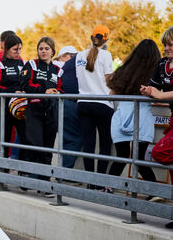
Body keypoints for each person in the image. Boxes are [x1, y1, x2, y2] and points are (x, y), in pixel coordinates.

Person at [106, 39, 160, 193]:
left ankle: (108, 188)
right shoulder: (156, 73)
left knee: (121, 155)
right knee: (139, 159)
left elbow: (111, 96)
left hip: (121, 116)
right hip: (142, 118)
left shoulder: (124, 70)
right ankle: (154, 192)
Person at [140, 25, 173, 229]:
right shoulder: (163, 63)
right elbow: (155, 87)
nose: (166, 48)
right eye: (164, 44)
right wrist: (148, 90)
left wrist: (162, 95)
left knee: (161, 152)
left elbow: (163, 93)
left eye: (170, 44)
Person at [21, 37, 63, 190]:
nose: (43, 51)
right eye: (41, 48)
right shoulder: (31, 64)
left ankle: (44, 185)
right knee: (34, 146)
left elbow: (62, 87)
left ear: (52, 51)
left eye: (46, 48)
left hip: (51, 111)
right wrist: (43, 91)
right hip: (34, 110)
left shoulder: (57, 69)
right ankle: (26, 180)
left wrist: (57, 92)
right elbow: (25, 84)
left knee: (48, 149)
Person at [75, 25, 114, 185]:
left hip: (83, 103)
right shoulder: (106, 55)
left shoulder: (79, 55)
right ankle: (100, 181)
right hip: (102, 103)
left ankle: (90, 181)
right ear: (106, 39)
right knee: (105, 144)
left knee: (89, 144)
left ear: (91, 37)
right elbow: (109, 80)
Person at [0, 34, 26, 161]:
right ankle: (0, 169)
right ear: (7, 49)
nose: (18, 52)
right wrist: (12, 91)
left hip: (20, 106)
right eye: (15, 49)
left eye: (20, 49)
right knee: (3, 138)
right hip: (4, 107)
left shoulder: (23, 63)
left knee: (25, 137)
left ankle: (23, 170)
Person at [56, 46, 81, 169]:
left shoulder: (60, 66)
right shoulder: (72, 64)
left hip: (58, 102)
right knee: (73, 139)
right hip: (67, 102)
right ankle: (64, 173)